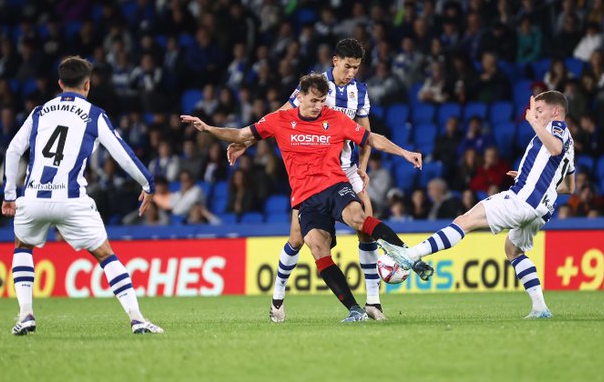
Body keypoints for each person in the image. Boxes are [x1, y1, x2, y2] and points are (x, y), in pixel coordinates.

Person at [181, 73, 432, 322]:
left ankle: (409, 256)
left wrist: (404, 152)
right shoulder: (279, 120)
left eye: (322, 101)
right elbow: (240, 134)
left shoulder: (335, 119)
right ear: (299, 98)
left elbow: (371, 139)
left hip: (335, 186)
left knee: (359, 218)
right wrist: (207, 128)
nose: (318, 107)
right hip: (305, 198)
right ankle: (354, 310)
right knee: (317, 247)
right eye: (313, 101)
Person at [227, 39, 387, 322]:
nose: (351, 72)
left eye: (356, 68)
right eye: (348, 66)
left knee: (365, 228)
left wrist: (362, 168)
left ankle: (373, 303)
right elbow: (280, 118)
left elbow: (366, 137)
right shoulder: (314, 86)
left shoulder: (360, 93)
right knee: (297, 239)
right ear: (335, 61)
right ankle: (277, 297)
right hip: (312, 176)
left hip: (346, 171)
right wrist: (247, 143)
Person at [2, 56, 163, 335]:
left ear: (60, 83)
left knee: (22, 246)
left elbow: (12, 151)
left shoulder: (39, 112)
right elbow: (122, 155)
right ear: (87, 85)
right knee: (105, 255)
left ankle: (26, 314)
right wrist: (147, 184)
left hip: (33, 198)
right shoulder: (94, 115)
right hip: (71, 199)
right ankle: (137, 319)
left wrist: (8, 195)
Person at [381, 91, 576, 319]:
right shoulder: (570, 143)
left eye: (539, 111)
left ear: (555, 111)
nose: (535, 114)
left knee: (464, 221)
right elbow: (568, 187)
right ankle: (540, 308)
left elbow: (554, 148)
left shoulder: (556, 127)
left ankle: (410, 255)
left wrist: (533, 123)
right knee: (513, 251)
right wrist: (531, 176)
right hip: (542, 210)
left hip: (523, 200)